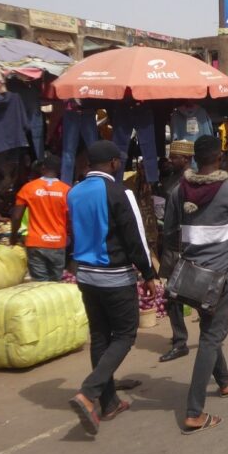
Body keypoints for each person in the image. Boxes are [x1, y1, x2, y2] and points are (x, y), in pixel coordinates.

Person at [162, 136, 228, 434]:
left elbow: (168, 233)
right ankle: (194, 412)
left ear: (194, 158)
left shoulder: (179, 191)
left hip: (190, 274)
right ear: (219, 157)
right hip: (218, 276)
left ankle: (224, 381)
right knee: (211, 337)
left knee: (209, 328)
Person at [66, 140, 158, 436]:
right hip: (114, 275)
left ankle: (108, 404)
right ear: (114, 164)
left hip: (86, 276)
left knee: (100, 337)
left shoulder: (74, 192)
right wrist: (149, 273)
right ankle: (89, 392)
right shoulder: (119, 192)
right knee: (125, 334)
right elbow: (135, 236)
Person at [157, 139, 195, 363]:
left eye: (175, 158)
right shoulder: (175, 179)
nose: (171, 161)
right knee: (174, 295)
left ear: (187, 159)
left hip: (181, 244)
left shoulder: (190, 182)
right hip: (176, 243)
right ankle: (180, 338)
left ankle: (181, 341)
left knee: (184, 293)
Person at [10, 154, 70, 281]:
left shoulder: (28, 188)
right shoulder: (67, 190)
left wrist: (13, 236)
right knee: (56, 284)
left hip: (35, 243)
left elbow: (16, 217)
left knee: (39, 284)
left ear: (43, 168)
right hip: (58, 243)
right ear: (59, 170)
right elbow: (71, 219)